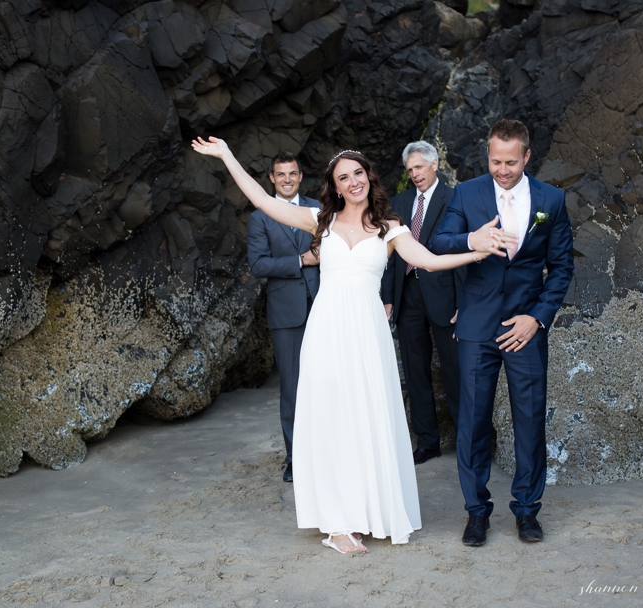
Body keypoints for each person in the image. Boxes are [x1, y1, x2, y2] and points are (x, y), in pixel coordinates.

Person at [191, 136, 506, 554]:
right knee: (332, 417)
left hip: (369, 331)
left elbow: (428, 260)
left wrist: (474, 248)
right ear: (335, 186)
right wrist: (228, 155)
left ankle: (371, 510)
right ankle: (338, 523)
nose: (353, 181)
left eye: (358, 173)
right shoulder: (319, 221)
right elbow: (264, 203)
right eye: (344, 177)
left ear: (367, 177)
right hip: (327, 330)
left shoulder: (389, 228)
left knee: (369, 415)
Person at [429, 119, 574, 547]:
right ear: (487, 156)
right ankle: (477, 513)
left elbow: (562, 267)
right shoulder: (467, 192)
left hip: (525, 326)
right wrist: (471, 238)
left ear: (527, 157)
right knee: (472, 423)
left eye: (511, 162)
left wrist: (538, 317)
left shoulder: (552, 200)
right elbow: (438, 242)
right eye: (495, 161)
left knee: (530, 420)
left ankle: (527, 511)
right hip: (476, 327)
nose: (503, 169)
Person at [381, 141, 462, 465]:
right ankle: (427, 442)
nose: (415, 174)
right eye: (410, 169)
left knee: (454, 369)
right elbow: (388, 256)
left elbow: (460, 252)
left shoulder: (454, 197)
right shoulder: (399, 203)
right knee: (415, 371)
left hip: (445, 295)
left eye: (419, 167)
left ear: (434, 164)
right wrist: (387, 297)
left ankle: (465, 438)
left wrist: (463, 302)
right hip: (407, 295)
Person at [247, 151, 321, 483]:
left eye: (293, 173)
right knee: (291, 388)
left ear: (301, 176)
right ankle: (295, 457)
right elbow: (258, 265)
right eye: (281, 175)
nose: (287, 179)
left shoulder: (319, 209)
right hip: (286, 313)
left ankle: (325, 453)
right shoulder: (260, 216)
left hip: (324, 307)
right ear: (272, 179)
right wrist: (300, 261)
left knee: (325, 385)